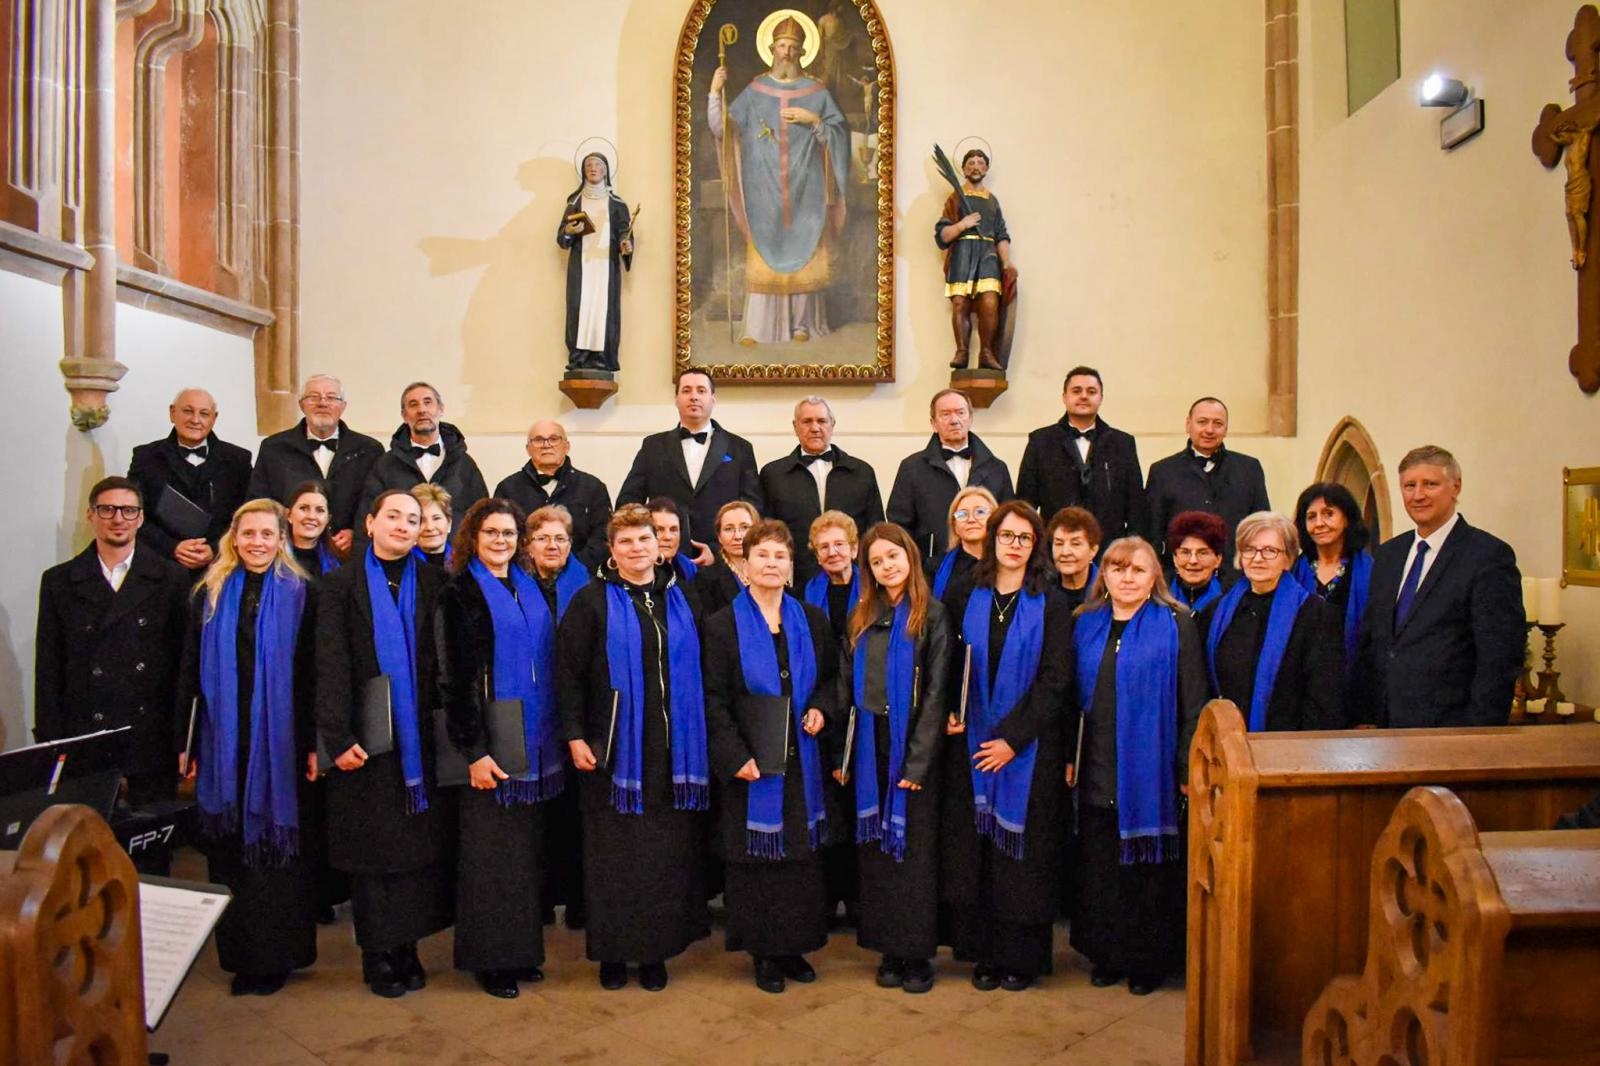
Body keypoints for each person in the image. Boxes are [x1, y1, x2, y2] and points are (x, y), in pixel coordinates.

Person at [557, 505, 711, 991]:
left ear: (658, 544)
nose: (637, 548)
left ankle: (654, 953)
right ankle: (612, 953)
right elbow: (568, 674)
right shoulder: (590, 601)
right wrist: (574, 735)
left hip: (672, 750)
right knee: (614, 858)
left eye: (645, 539)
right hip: (612, 750)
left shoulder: (682, 596)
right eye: (625, 541)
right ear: (612, 549)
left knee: (662, 857)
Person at [176, 499, 317, 996]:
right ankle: (241, 957)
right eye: (249, 533)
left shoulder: (303, 593)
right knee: (230, 851)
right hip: (223, 739)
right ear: (233, 538)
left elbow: (313, 675)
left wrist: (314, 743)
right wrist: (184, 740)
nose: (257, 542)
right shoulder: (208, 592)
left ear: (282, 539)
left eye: (267, 534)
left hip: (282, 742)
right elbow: (188, 671)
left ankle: (279, 956)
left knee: (278, 856)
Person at [316, 489, 453, 999]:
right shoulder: (339, 585)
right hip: (366, 737)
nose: (403, 525)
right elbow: (329, 663)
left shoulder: (437, 583)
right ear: (370, 523)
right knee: (372, 853)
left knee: (416, 851)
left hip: (420, 739)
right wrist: (337, 736)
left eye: (412, 519)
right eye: (392, 516)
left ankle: (408, 947)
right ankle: (378, 953)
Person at [940, 501, 1073, 992]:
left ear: (1035, 545)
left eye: (1024, 537)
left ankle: (1021, 958)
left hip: (1029, 750)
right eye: (1006, 535)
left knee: (1022, 860)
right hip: (972, 747)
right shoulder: (963, 592)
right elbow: (949, 661)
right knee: (979, 854)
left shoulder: (1051, 601)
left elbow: (1056, 680)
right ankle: (985, 955)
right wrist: (951, 710)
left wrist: (1012, 740)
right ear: (992, 538)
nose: (1014, 545)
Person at [436, 499, 564, 999]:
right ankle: (491, 961)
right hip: (489, 744)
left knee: (524, 859)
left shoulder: (529, 586)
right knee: (490, 862)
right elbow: (454, 680)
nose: (501, 541)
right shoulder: (459, 593)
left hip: (533, 744)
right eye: (491, 532)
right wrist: (474, 750)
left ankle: (522, 952)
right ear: (473, 536)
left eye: (509, 533)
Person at [703, 520, 838, 993]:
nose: (771, 563)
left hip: (802, 760)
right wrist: (733, 754)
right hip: (750, 763)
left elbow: (831, 680)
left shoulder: (813, 620)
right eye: (762, 555)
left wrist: (821, 708)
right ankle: (763, 952)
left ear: (791, 565)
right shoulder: (721, 626)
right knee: (757, 861)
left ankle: (794, 947)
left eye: (780, 556)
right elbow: (712, 698)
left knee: (799, 859)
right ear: (744, 564)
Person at [1069, 536, 1207, 996]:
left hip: (1153, 770)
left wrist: (1185, 767)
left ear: (1154, 578)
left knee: (1145, 872)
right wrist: (1069, 756)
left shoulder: (1178, 624)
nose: (1127, 578)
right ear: (1103, 575)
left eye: (1138, 569)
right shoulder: (1085, 622)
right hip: (1096, 762)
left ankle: (1146, 961)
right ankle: (1106, 954)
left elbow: (1194, 702)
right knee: (1101, 866)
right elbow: (1069, 699)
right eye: (1117, 568)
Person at [838, 522, 951, 993]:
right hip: (871, 746)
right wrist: (844, 755)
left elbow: (938, 693)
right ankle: (888, 950)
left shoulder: (933, 615)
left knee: (914, 857)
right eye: (877, 561)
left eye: (893, 556)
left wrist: (918, 761)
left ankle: (917, 954)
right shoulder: (861, 615)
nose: (887, 566)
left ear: (910, 556)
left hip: (913, 748)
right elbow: (845, 686)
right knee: (878, 855)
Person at [34, 477, 190, 807]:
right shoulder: (59, 581)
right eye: (107, 509)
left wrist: (183, 740)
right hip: (84, 735)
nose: (118, 518)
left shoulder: (171, 578)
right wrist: (50, 742)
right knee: (86, 832)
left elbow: (182, 664)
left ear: (141, 518)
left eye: (128, 510)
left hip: (151, 735)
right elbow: (48, 669)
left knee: (151, 832)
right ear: (90, 515)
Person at [1355, 446, 1524, 728]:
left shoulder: (1487, 556)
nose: (1418, 495)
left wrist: (1479, 732)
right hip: (1387, 726)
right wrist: (1364, 716)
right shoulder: (1388, 555)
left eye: (1430, 484)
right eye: (1409, 486)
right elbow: (1373, 639)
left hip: (1451, 727)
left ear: (1455, 487)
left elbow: (1499, 657)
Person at [709, 15, 850, 345]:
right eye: (782, 46)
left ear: (802, 53)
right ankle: (759, 328)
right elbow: (723, 130)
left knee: (807, 244)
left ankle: (803, 324)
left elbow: (838, 135)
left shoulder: (817, 92)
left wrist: (813, 119)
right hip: (763, 188)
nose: (786, 52)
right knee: (765, 245)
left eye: (793, 47)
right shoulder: (754, 91)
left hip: (807, 188)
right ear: (772, 49)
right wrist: (715, 92)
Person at [1197, 512, 1345, 731]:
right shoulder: (1215, 612)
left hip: (1287, 743)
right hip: (1224, 740)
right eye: (1249, 549)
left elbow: (1324, 700)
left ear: (1288, 558)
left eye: (1270, 550)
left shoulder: (1317, 615)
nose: (1258, 558)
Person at [524, 503, 592, 932]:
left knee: (577, 813)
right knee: (537, 816)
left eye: (561, 538)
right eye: (543, 538)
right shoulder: (513, 585)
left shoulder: (588, 586)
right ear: (528, 544)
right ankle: (542, 897)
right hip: (531, 714)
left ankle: (580, 898)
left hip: (578, 713)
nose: (553, 545)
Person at [616, 367, 762, 560]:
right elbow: (628, 502)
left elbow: (752, 508)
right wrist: (647, 542)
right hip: (664, 558)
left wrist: (719, 550)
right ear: (676, 399)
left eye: (701, 391)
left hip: (722, 557)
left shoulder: (740, 448)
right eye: (686, 390)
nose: (694, 397)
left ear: (713, 399)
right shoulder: (653, 446)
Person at [248, 374, 384, 556]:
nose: (322, 403)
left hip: (349, 555)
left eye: (331, 397)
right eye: (313, 397)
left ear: (343, 406)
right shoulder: (274, 448)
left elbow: (375, 502)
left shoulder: (370, 450)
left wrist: (357, 532)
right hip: (289, 554)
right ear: (301, 405)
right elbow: (259, 502)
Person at [803, 510, 862, 926]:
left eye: (839, 544)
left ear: (854, 549)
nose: (832, 552)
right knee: (829, 806)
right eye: (823, 547)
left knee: (858, 804)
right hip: (825, 709)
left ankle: (858, 899)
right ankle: (826, 896)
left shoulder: (877, 590)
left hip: (866, 710)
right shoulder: (806, 595)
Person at [759, 397, 884, 584]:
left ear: (832, 424)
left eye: (822, 421)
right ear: (795, 427)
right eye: (807, 421)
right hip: (796, 580)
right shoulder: (773, 475)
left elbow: (875, 529)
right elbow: (767, 533)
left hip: (854, 580)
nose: (815, 428)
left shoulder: (861, 472)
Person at [1017, 368, 1146, 546]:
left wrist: (1130, 549)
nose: (1084, 396)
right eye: (1076, 391)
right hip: (1055, 548)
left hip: (1108, 549)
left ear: (1101, 398)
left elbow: (1136, 506)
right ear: (1064, 397)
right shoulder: (1040, 441)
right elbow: (1025, 503)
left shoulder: (1123, 443)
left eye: (1091, 392)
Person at [129, 387, 253, 571]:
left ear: (214, 418)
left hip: (222, 567)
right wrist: (172, 547)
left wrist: (215, 548)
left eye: (204, 414)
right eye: (188, 411)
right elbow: (133, 514)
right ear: (172, 413)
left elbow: (247, 514)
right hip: (162, 566)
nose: (195, 420)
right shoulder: (145, 457)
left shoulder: (238, 460)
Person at [887, 389, 1013, 569]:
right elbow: (899, 525)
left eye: (960, 412)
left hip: (987, 567)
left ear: (970, 419)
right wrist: (918, 565)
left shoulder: (996, 468)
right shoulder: (912, 468)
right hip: (931, 569)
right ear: (933, 423)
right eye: (945, 414)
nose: (954, 420)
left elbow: (1008, 521)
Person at [1144, 397, 1269, 568]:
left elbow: (1261, 527)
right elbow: (1153, 533)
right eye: (1202, 422)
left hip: (1235, 573)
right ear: (1188, 425)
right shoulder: (1162, 471)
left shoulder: (1249, 468)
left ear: (1226, 429)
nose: (1209, 430)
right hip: (1181, 574)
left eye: (1218, 423)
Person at [360, 382, 488, 529]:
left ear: (441, 409)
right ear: (404, 415)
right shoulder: (385, 465)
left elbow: (482, 515)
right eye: (413, 404)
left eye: (428, 402)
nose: (421, 410)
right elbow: (368, 515)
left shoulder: (464, 464)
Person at [1290, 482, 1373, 701]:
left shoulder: (1371, 571)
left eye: (1328, 514)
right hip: (1302, 686)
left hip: (1354, 686)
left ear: (1346, 519)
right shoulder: (1293, 571)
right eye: (1311, 516)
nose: (1319, 523)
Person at [494, 420, 612, 569]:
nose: (546, 444)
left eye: (554, 439)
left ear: (566, 446)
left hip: (581, 575)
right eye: (538, 440)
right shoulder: (507, 488)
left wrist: (574, 569)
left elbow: (603, 536)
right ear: (528, 448)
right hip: (522, 575)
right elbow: (501, 536)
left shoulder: (593, 487)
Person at [936, 148, 1013, 371]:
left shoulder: (992, 201)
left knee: (989, 302)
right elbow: (943, 235)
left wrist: (1006, 262)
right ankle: (962, 351)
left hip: (987, 255)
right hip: (962, 253)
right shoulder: (955, 198)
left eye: (980, 163)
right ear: (963, 169)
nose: (975, 167)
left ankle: (986, 352)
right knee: (960, 303)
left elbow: (1001, 235)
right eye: (971, 163)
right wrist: (963, 224)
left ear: (986, 168)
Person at [558, 152, 633, 372]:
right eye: (589, 165)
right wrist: (569, 231)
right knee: (579, 307)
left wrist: (626, 245)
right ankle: (579, 357)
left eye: (598, 165)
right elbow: (562, 238)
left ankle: (603, 357)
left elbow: (624, 233)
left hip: (605, 267)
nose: (593, 169)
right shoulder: (574, 203)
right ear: (583, 171)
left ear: (605, 171)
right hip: (581, 268)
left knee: (604, 309)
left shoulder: (617, 204)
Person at [697, 500, 760, 618]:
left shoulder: (770, 571)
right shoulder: (706, 580)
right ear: (719, 537)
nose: (738, 536)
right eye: (729, 529)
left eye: (745, 527)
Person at [931, 486, 998, 598]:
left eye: (980, 512)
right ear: (954, 524)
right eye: (962, 514)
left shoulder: (1008, 564)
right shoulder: (935, 567)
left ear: (995, 518)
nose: (971, 519)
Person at [1165, 511, 1229, 613]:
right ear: (1175, 558)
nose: (1193, 561)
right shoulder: (1156, 597)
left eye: (1203, 553)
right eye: (1185, 552)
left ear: (1218, 559)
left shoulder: (1232, 600)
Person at [1048, 506, 1102, 611]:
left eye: (1075, 544)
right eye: (1059, 543)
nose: (1065, 552)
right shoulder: (1040, 592)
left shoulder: (1107, 593)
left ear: (1093, 550)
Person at [288, 481, 340, 577]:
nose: (311, 516)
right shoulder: (270, 558)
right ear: (289, 515)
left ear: (328, 519)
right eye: (304, 508)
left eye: (320, 510)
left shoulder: (337, 564)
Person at [648, 496, 700, 585]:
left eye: (673, 530)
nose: (667, 537)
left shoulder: (689, 568)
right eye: (659, 529)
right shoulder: (636, 574)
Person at [411, 484, 454, 568]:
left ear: (449, 523)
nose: (429, 527)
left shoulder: (466, 565)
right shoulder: (401, 564)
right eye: (421, 520)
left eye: (436, 518)